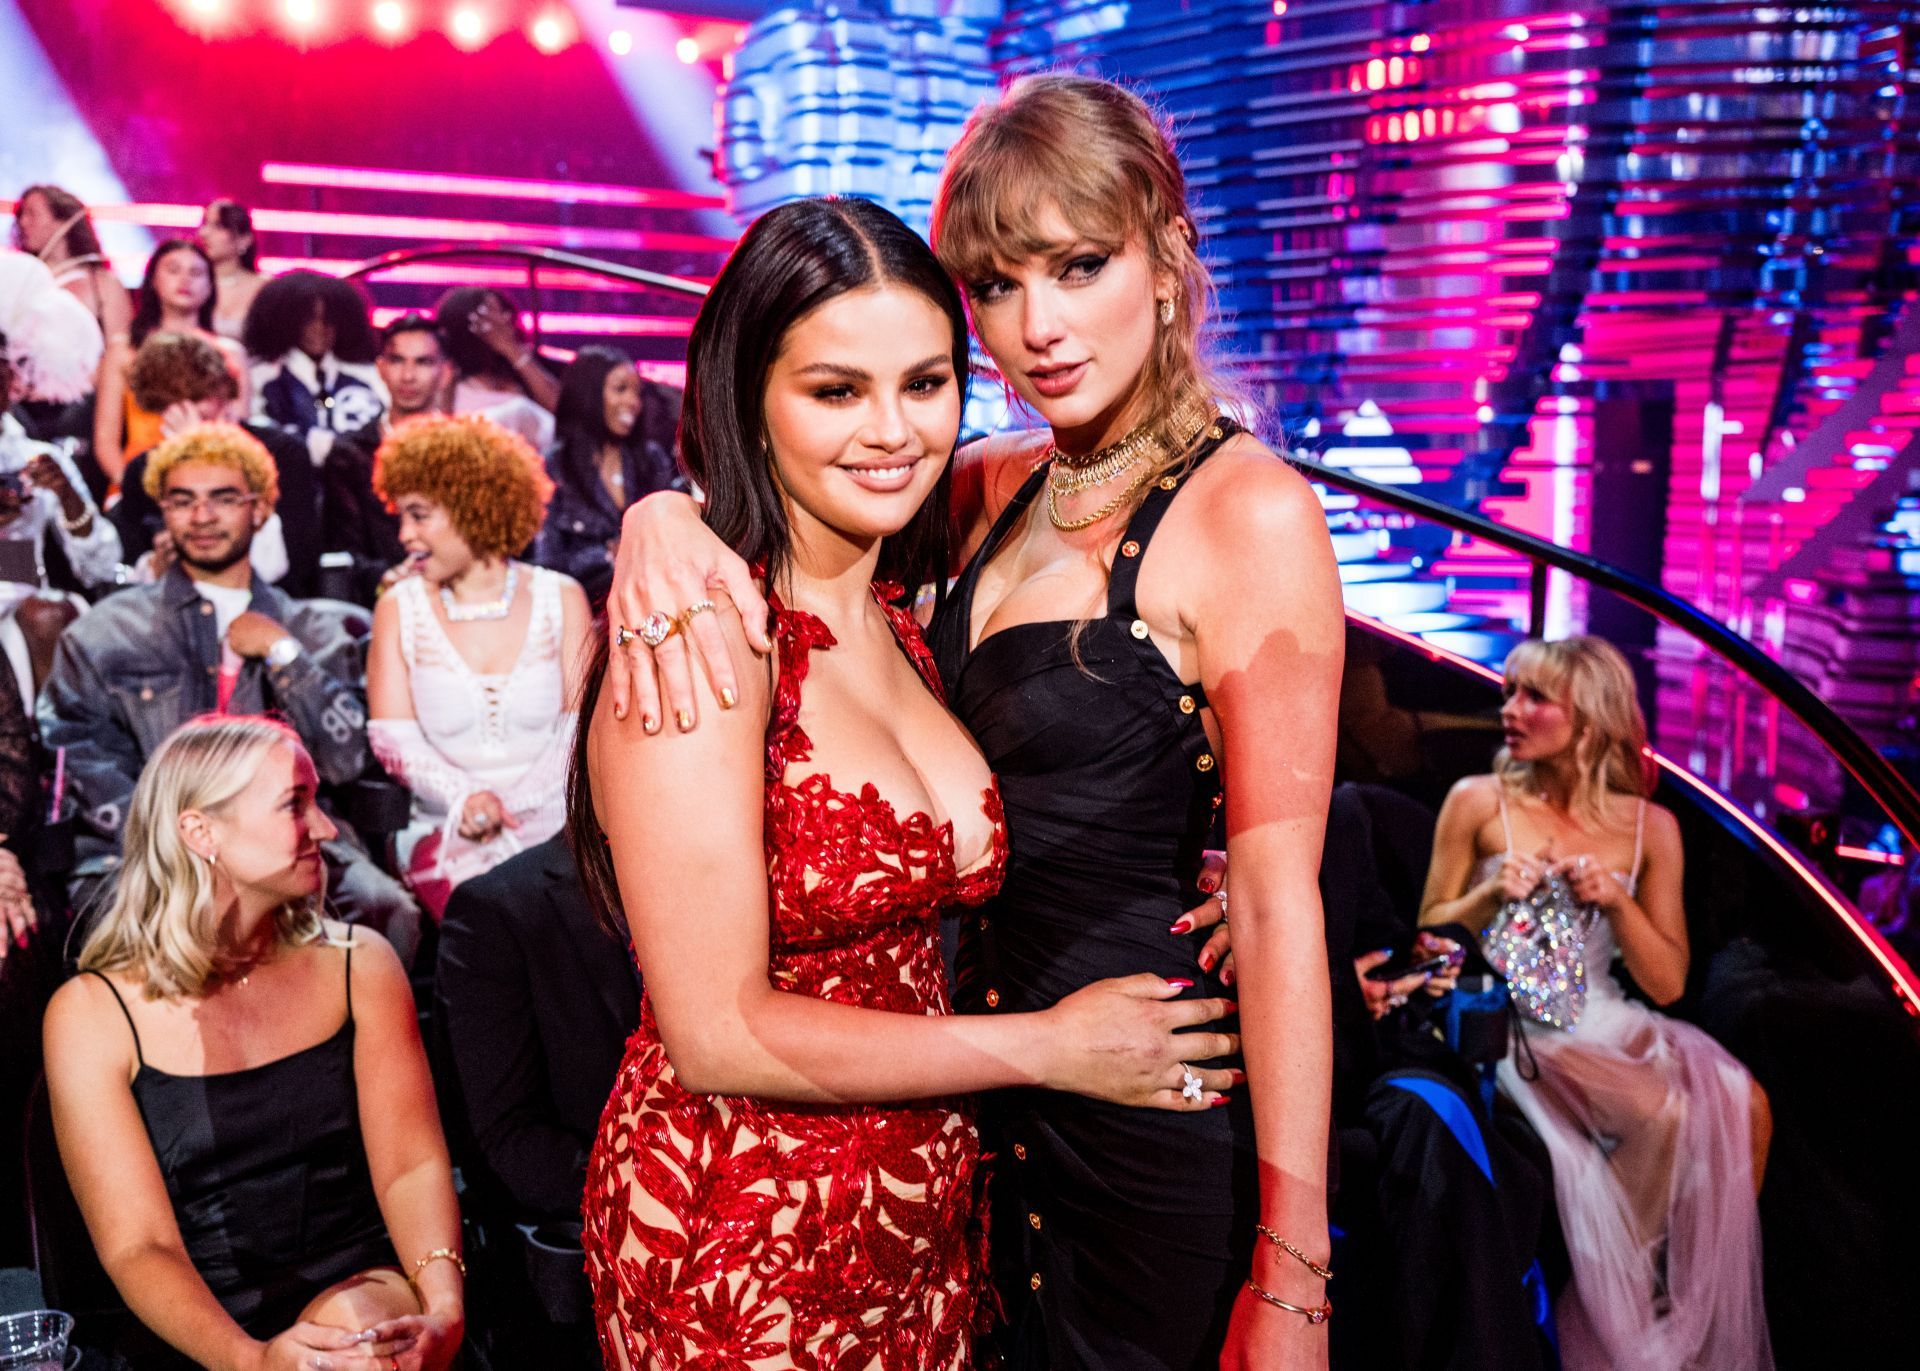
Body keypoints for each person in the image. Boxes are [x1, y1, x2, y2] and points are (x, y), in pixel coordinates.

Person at [606, 75, 1343, 1371]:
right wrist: (656, 519)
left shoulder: (1251, 513)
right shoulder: (989, 484)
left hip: (1154, 1101)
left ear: (1168, 260)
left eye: (1078, 264)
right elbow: (791, 469)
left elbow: (1281, 900)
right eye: (997, 286)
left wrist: (1295, 1272)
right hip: (978, 1114)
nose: (1039, 327)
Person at [41, 715, 463, 1370]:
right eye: (295, 803)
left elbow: (411, 1165)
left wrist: (441, 1308)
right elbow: (138, 1244)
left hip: (364, 1290)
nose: (326, 827)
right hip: (205, 1324)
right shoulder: (93, 1014)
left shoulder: (361, 964)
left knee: (357, 1332)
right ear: (200, 832)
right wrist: (252, 1359)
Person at [1419, 635, 1773, 1371]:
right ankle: (1622, 1324)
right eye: (1511, 690)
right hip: (1513, 1022)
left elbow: (1670, 981)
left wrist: (1617, 901)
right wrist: (1488, 895)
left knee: (1745, 1101)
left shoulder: (1653, 827)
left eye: (1533, 696)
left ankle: (1663, 1310)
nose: (1509, 708)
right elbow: (1425, 940)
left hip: (1605, 1010)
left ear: (1588, 719)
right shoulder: (1477, 800)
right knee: (1661, 1110)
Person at [37, 422, 419, 959]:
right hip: (144, 852)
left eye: (223, 499)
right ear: (163, 512)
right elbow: (73, 753)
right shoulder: (106, 632)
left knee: (387, 912)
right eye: (182, 500)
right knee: (149, 923)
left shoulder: (310, 629)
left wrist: (285, 657)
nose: (202, 517)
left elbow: (345, 759)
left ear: (260, 510)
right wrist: (172, 841)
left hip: (291, 846)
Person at [366, 414, 588, 918]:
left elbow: (578, 729)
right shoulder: (399, 607)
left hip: (553, 826)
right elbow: (392, 738)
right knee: (492, 912)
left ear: (472, 506)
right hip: (446, 829)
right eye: (401, 517)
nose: (405, 534)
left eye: (420, 515)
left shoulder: (561, 597)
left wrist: (519, 814)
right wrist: (466, 799)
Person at [111, 331, 320, 597]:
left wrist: (202, 450)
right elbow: (132, 566)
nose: (186, 411)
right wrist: (157, 565)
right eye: (170, 403)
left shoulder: (284, 453)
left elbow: (292, 564)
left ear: (225, 390)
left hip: (265, 604)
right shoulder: (142, 470)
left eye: (198, 397)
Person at [0, 331, 121, 702]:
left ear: (14, 382)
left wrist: (67, 496)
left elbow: (102, 567)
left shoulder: (37, 457)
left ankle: (57, 752)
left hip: (16, 589)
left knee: (51, 614)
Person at [533, 346, 683, 603]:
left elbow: (672, 540)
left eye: (638, 392)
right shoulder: (556, 464)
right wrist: (604, 555)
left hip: (651, 602)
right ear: (588, 394)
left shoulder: (651, 459)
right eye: (620, 389)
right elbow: (546, 562)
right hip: (582, 607)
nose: (633, 403)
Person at [93, 237, 245, 484]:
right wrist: (131, 489)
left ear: (210, 286)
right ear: (153, 280)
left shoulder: (230, 353)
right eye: (173, 270)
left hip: (211, 477)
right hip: (138, 478)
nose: (185, 280)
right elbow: (106, 441)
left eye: (196, 273)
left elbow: (237, 430)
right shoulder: (124, 350)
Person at [323, 314, 449, 604]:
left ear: (446, 372)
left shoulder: (471, 452)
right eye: (397, 360)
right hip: (381, 601)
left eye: (423, 362)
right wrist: (392, 576)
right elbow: (342, 550)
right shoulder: (350, 453)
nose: (408, 375)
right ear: (380, 368)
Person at [243, 270, 386, 465]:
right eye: (309, 320)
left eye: (328, 320)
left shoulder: (368, 376)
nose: (318, 329)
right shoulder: (262, 377)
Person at [433, 286, 557, 450]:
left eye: (506, 311)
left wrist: (513, 351)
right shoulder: (453, 388)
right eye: (494, 314)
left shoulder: (529, 371)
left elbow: (566, 415)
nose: (507, 318)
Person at [10, 185, 131, 347]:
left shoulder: (103, 284)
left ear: (63, 220)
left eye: (32, 213)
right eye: (21, 215)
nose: (23, 222)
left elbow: (119, 352)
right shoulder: (20, 282)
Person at [199, 198, 268, 342]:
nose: (204, 233)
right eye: (205, 224)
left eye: (218, 226)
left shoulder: (265, 288)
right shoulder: (192, 284)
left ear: (244, 239)